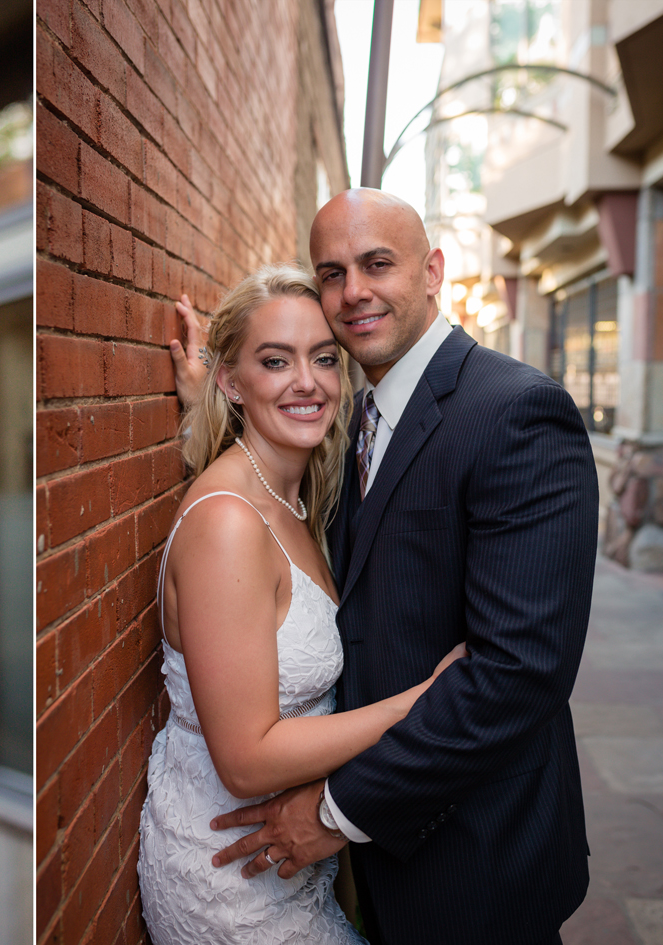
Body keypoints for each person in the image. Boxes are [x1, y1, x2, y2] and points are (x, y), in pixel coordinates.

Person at [170, 189, 594, 943]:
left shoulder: (516, 411)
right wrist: (221, 403)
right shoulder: (345, 430)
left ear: (432, 271)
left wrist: (337, 810)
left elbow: (519, 670)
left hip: (474, 855)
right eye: (331, 273)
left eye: (377, 264)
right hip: (335, 866)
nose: (353, 291)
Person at [138, 263, 463, 943]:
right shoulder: (228, 524)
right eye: (274, 360)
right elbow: (247, 760)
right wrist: (423, 698)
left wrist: (209, 403)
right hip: (231, 881)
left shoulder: (296, 495)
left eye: (322, 358)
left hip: (291, 871)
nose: (307, 381)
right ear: (233, 378)